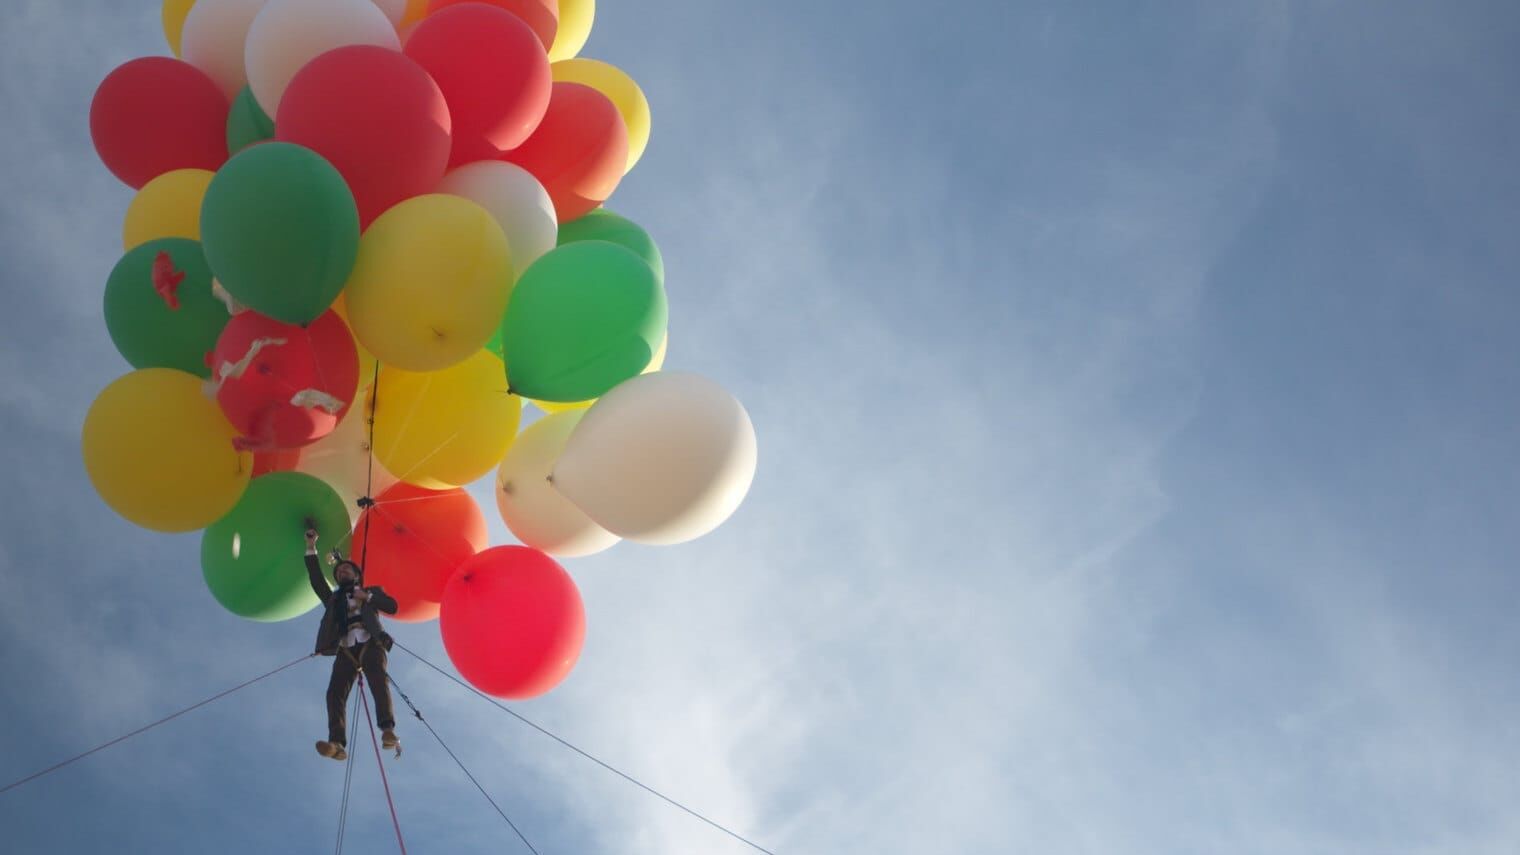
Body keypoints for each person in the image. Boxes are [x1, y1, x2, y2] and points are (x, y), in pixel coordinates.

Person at [305, 527, 400, 760]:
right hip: (346, 648)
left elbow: (392, 606)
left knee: (378, 678)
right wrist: (310, 547)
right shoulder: (333, 599)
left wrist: (366, 597)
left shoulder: (369, 592)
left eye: (347, 569)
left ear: (357, 575)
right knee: (334, 693)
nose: (342, 572)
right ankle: (336, 743)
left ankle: (387, 730)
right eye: (339, 571)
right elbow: (317, 580)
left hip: (371, 642)